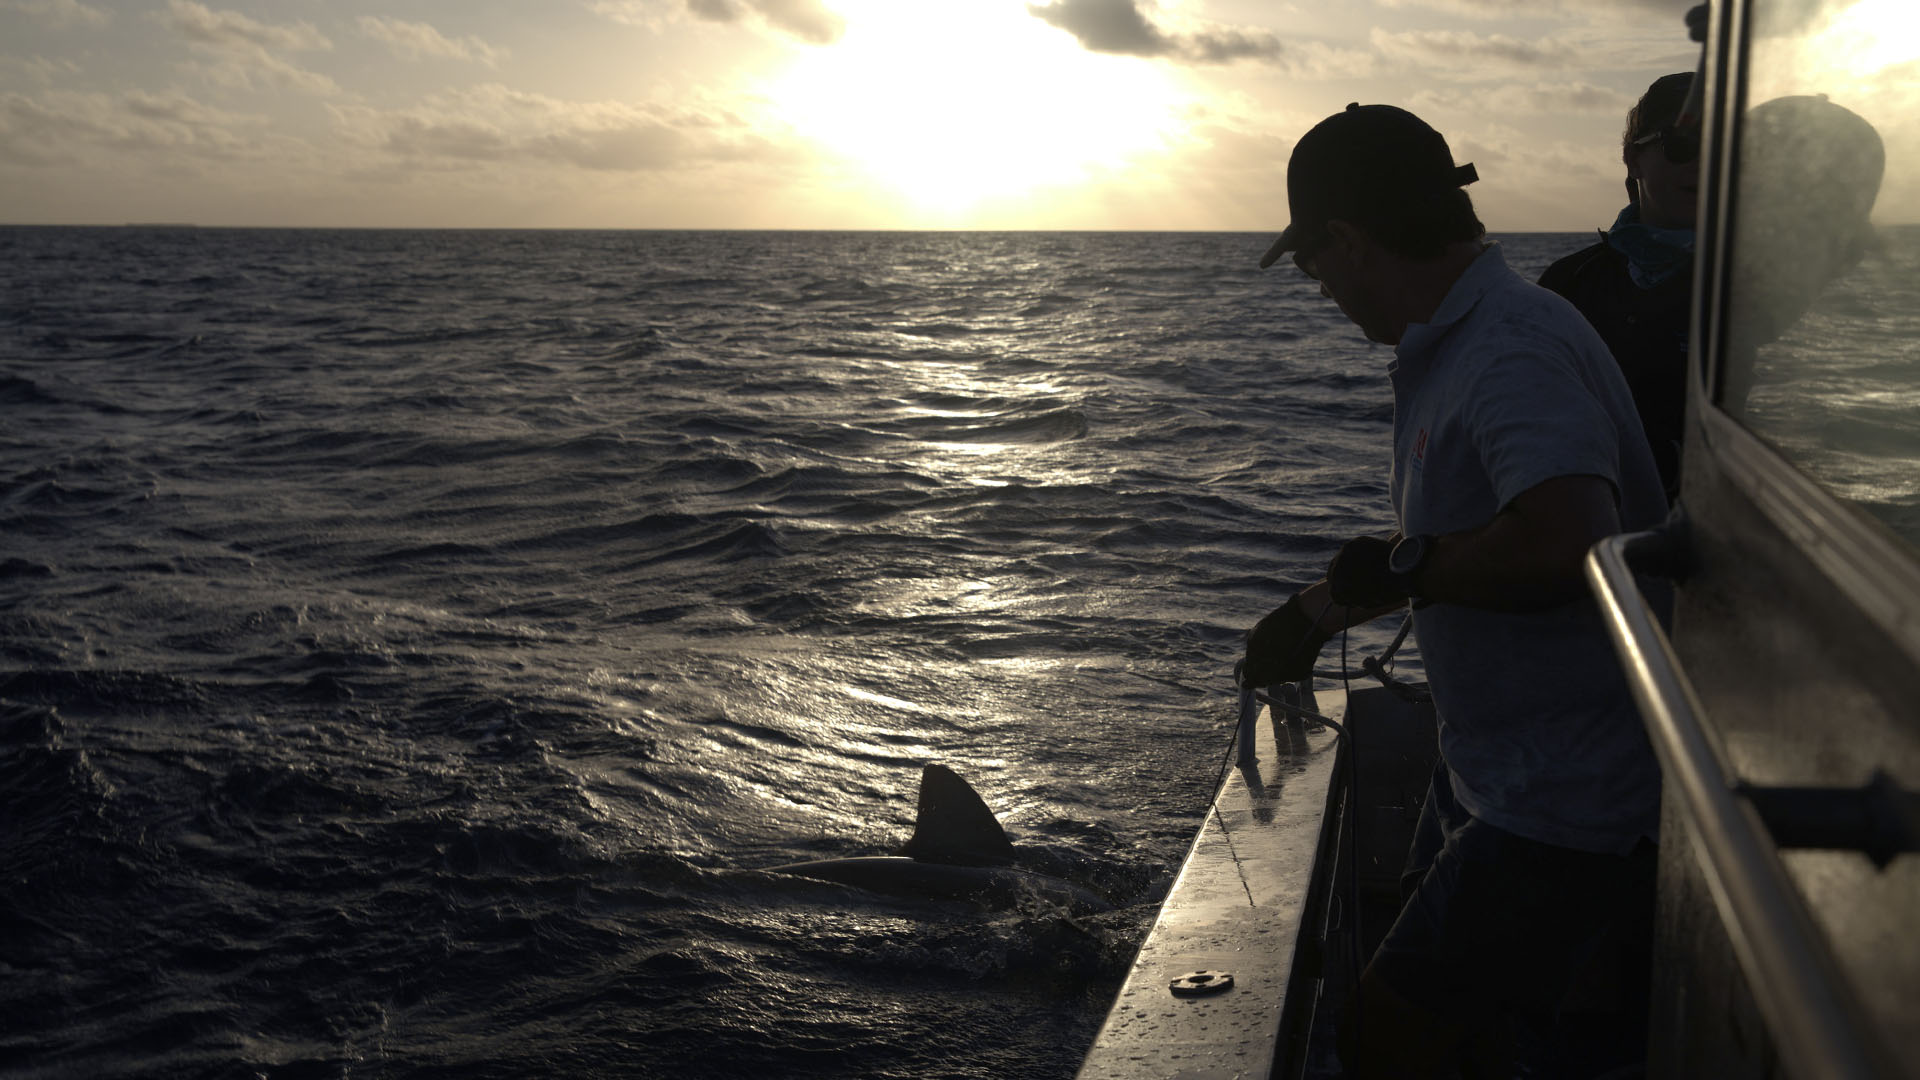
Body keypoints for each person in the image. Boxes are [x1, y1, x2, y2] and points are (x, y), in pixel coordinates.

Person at [1244, 103, 1667, 1078]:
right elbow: (1481, 529)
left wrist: (1407, 568)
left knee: (1388, 1036)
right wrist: (1320, 610)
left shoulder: (1507, 350)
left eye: (1313, 269)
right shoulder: (1467, 341)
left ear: (1347, 242)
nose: (1323, 293)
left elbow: (1569, 543)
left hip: (1566, 802)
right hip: (1496, 766)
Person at [1539, 73, 1698, 501]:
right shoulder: (1568, 285)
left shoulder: (1758, 285)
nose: (1706, 163)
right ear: (1633, 159)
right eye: (1685, 142)